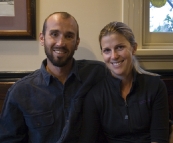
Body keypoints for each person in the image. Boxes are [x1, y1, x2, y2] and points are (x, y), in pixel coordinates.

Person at [0, 12, 108, 143]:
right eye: (54, 34)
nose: (61, 43)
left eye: (69, 36)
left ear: (77, 42)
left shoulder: (98, 73)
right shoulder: (20, 92)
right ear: (42, 38)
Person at [79, 21, 169, 143]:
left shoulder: (155, 86)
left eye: (120, 47)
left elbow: (159, 139)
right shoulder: (95, 96)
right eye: (107, 50)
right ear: (102, 54)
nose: (114, 56)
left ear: (134, 48)